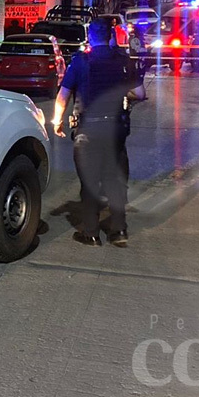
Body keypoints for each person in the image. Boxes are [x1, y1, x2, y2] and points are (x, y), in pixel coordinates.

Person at [51, 19, 146, 247]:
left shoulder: (81, 62)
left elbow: (63, 96)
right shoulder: (123, 61)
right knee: (115, 180)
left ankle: (91, 234)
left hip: (88, 131)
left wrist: (57, 122)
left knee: (89, 182)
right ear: (111, 36)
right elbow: (140, 93)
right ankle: (119, 230)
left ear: (90, 36)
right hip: (116, 130)